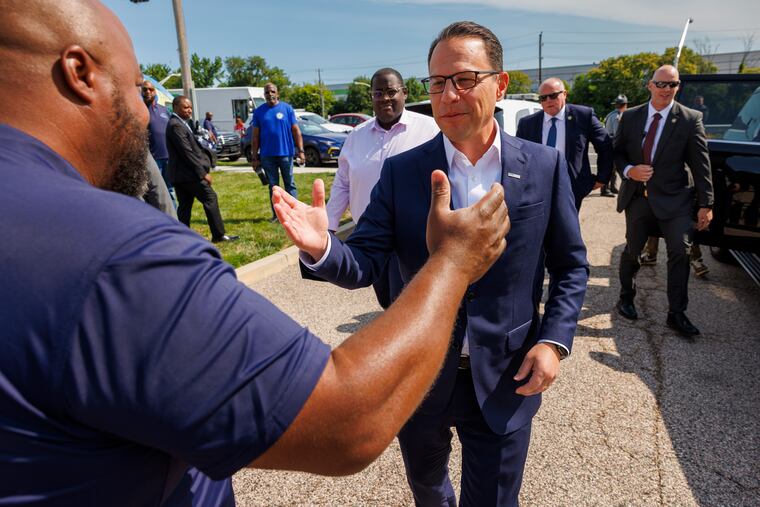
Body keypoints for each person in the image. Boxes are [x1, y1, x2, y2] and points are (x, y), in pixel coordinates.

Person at [0, 2, 512, 505]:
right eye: (138, 89)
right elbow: (348, 421)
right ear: (79, 74)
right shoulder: (117, 254)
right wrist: (452, 262)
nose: (146, 112)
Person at [274, 21, 588, 506]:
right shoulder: (403, 171)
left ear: (500, 84)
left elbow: (570, 266)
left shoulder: (543, 166)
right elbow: (364, 262)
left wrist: (553, 342)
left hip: (506, 375)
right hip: (418, 376)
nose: (448, 95)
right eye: (438, 82)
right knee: (427, 489)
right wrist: (323, 247)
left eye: (465, 79)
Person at [325, 67, 439, 308]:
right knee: (387, 300)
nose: (385, 98)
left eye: (391, 91)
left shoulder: (430, 130)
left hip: (413, 236)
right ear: (371, 97)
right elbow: (343, 183)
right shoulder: (356, 136)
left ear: (404, 93)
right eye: (378, 93)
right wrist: (329, 225)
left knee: (414, 303)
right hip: (371, 237)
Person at [614, 64, 713, 337]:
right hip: (639, 198)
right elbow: (617, 153)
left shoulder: (690, 119)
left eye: (673, 84)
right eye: (661, 84)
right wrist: (629, 171)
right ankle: (626, 298)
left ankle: (676, 313)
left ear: (678, 87)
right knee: (632, 251)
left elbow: (701, 165)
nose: (666, 89)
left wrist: (707, 204)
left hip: (676, 199)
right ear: (650, 85)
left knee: (680, 251)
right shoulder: (631, 117)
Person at [516, 77, 613, 209]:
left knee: (568, 222)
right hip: (538, 188)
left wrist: (602, 177)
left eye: (553, 96)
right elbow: (519, 155)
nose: (548, 100)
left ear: (565, 94)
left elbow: (605, 145)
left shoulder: (583, 116)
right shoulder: (527, 123)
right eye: (543, 98)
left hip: (573, 188)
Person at [166, 95, 238, 243]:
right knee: (210, 198)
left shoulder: (180, 123)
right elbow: (186, 152)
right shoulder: (176, 125)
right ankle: (218, 235)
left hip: (181, 175)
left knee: (185, 206)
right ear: (175, 107)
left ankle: (181, 238)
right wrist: (202, 173)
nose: (189, 110)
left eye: (190, 107)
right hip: (188, 175)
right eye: (185, 107)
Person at [250, 83, 305, 222]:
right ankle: (277, 215)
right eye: (267, 92)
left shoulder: (287, 109)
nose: (270, 94)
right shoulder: (259, 112)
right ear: (264, 95)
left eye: (272, 91)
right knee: (274, 187)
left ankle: (294, 214)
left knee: (290, 184)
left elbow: (296, 131)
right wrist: (254, 157)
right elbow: (255, 136)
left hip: (286, 154)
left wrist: (301, 151)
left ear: (277, 93)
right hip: (267, 156)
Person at [142, 79, 176, 204]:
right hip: (152, 160)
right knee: (154, 192)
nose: (147, 92)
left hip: (168, 158)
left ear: (155, 92)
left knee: (170, 190)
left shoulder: (165, 110)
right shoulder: (140, 110)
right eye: (144, 89)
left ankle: (173, 215)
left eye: (150, 89)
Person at [602, 94, 628, 196]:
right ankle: (605, 189)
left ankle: (612, 187)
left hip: (609, 142)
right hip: (613, 142)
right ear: (624, 105)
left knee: (613, 167)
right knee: (611, 167)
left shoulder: (612, 114)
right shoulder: (617, 116)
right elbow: (618, 133)